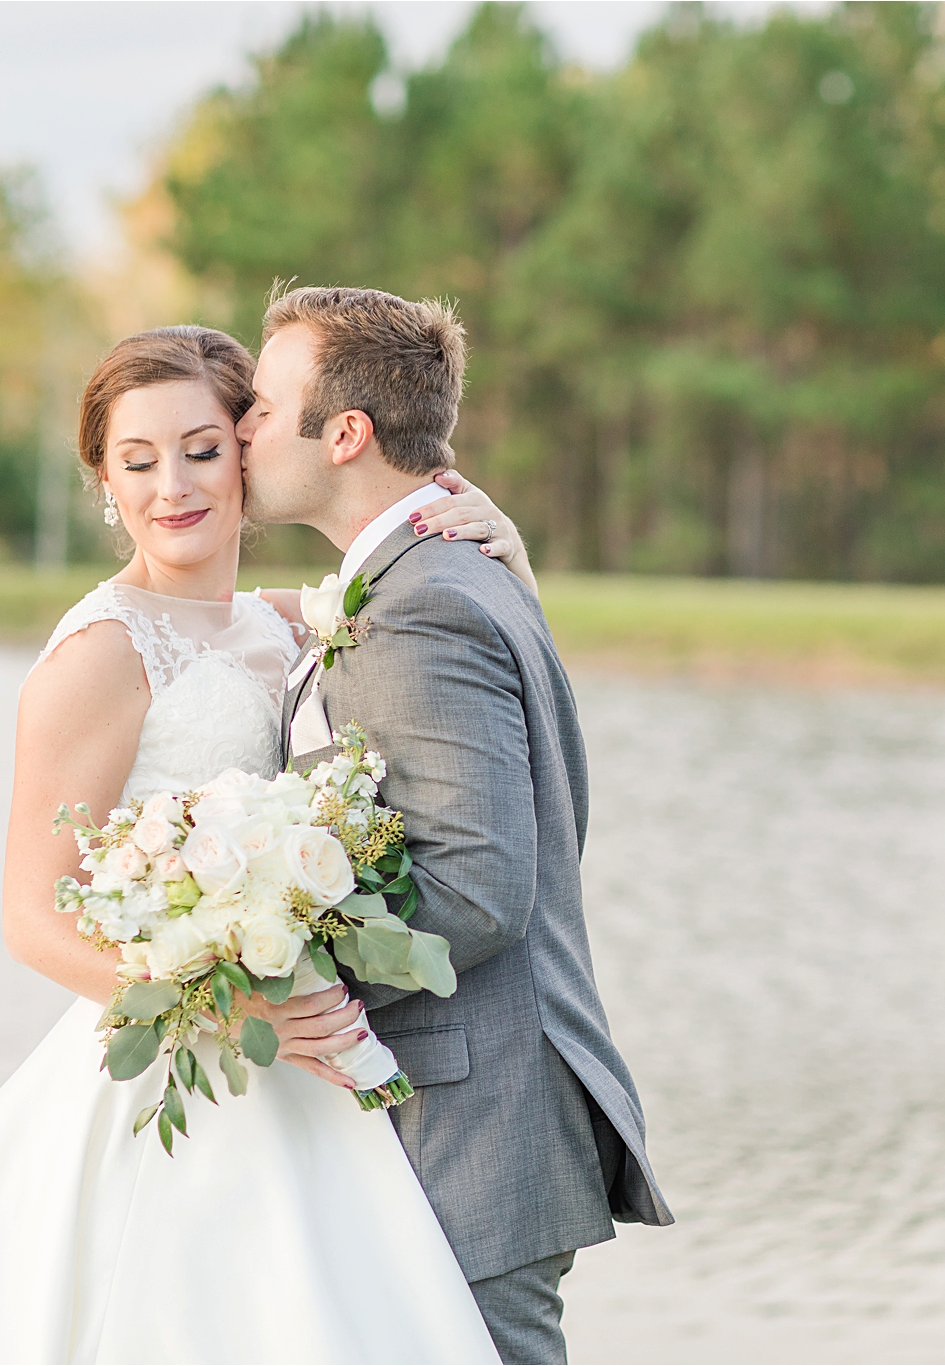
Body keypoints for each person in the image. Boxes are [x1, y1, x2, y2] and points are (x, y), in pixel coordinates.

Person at [0, 323, 551, 1364]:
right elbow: (33, 918)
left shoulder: (284, 624)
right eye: (138, 461)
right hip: (182, 1053)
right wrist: (224, 997)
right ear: (104, 481)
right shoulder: (99, 653)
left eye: (202, 450)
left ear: (250, 454)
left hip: (299, 1064)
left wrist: (504, 552)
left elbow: (447, 676)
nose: (173, 484)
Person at [239, 286, 673, 1366]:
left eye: (257, 406)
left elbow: (478, 887)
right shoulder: (429, 572)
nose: (242, 428)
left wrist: (263, 962)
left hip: (470, 1119)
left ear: (343, 433)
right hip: (452, 1102)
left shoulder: (420, 600)